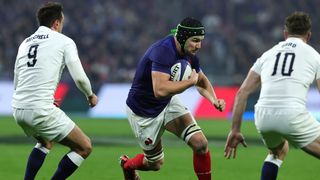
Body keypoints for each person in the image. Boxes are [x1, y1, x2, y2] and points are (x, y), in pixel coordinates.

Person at [120, 17, 226, 180]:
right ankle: (128, 166)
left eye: (201, 41)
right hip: (143, 113)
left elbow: (201, 80)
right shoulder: (163, 51)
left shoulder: (190, 54)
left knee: (200, 144)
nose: (199, 45)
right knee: (155, 164)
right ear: (183, 37)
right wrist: (188, 82)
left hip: (168, 103)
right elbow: (160, 90)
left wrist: (214, 100)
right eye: (195, 40)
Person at [224, 11, 320, 180]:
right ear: (309, 35)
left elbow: (242, 93)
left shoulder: (267, 55)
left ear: (285, 34)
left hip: (263, 116)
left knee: (277, 152)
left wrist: (235, 130)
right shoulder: (314, 56)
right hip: (292, 114)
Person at [12, 2, 98, 179]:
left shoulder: (25, 43)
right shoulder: (64, 41)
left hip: (18, 109)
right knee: (84, 147)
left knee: (45, 142)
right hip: (39, 110)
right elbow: (80, 78)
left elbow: (17, 80)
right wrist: (90, 95)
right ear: (57, 23)